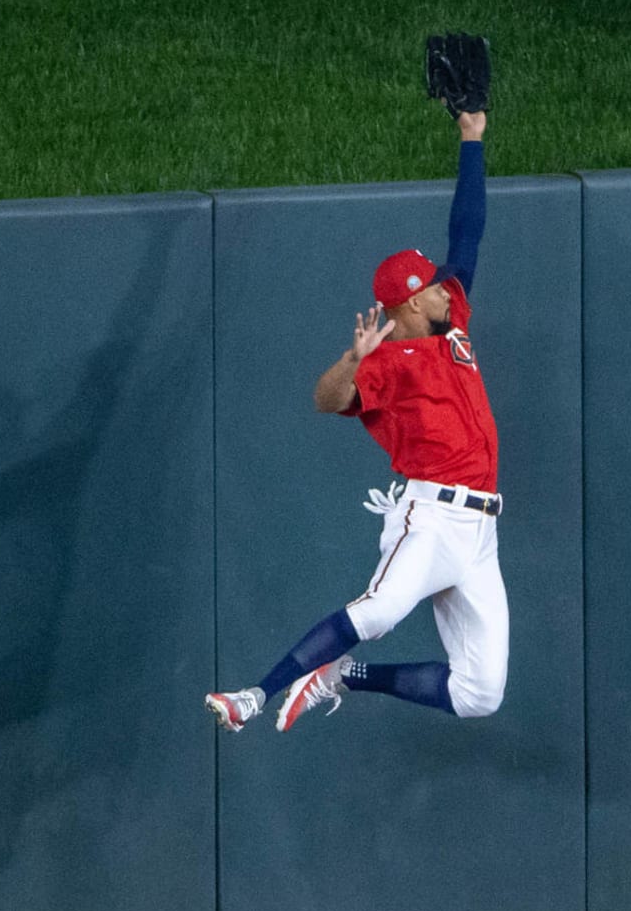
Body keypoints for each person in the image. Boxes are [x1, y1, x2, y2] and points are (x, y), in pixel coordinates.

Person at [206, 108, 508, 734]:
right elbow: (324, 398)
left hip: (479, 534)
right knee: (376, 614)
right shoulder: (388, 359)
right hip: (429, 519)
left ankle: (342, 675)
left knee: (480, 692)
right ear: (409, 301)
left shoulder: (453, 327)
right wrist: (352, 359)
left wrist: (471, 140)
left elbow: (468, 234)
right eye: (432, 286)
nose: (446, 287)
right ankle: (255, 696)